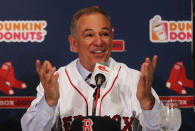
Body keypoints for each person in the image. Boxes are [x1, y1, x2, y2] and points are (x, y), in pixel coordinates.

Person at [21, 7, 160, 131]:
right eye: (89, 35)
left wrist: (148, 104)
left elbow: (164, 128)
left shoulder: (133, 79)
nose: (99, 42)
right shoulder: (57, 81)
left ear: (111, 39)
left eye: (104, 34)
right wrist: (49, 101)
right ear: (74, 43)